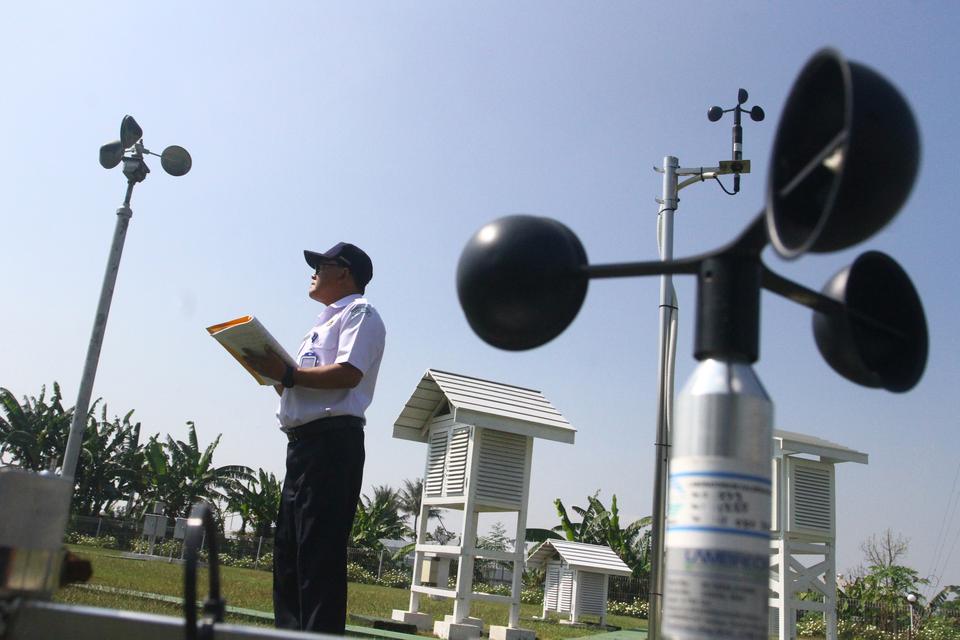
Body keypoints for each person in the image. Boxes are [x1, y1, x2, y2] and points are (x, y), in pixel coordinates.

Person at [243, 242, 386, 634]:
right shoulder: (320, 325)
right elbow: (299, 387)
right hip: (302, 447)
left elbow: (347, 374)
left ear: (345, 272)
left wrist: (287, 374)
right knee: (290, 556)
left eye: (320, 265)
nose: (314, 272)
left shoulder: (360, 314)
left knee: (319, 556)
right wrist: (272, 372)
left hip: (332, 446)